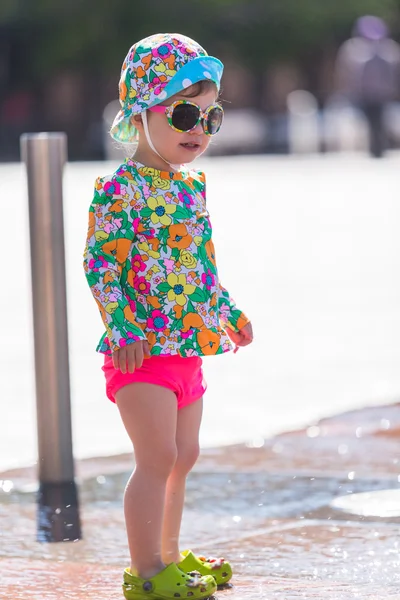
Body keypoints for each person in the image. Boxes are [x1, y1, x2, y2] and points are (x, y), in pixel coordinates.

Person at [83, 33, 253, 600]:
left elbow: (200, 266)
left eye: (212, 117)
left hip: (186, 345)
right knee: (156, 456)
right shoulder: (119, 189)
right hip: (141, 351)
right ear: (141, 111)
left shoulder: (190, 190)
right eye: (184, 113)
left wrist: (226, 309)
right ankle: (145, 572)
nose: (198, 130)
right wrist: (123, 325)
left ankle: (170, 556)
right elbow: (101, 262)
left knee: (183, 457)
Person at [335, 15, 400, 157]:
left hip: (379, 94)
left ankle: (378, 149)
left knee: (379, 120)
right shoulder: (354, 48)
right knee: (372, 120)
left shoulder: (387, 48)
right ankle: (376, 148)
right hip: (366, 94)